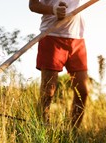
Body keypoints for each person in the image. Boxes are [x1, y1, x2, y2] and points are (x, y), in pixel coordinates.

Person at [29, 0, 89, 128]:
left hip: (77, 38)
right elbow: (33, 5)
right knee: (48, 91)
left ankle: (72, 134)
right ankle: (44, 130)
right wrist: (53, 9)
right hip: (51, 35)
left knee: (83, 91)